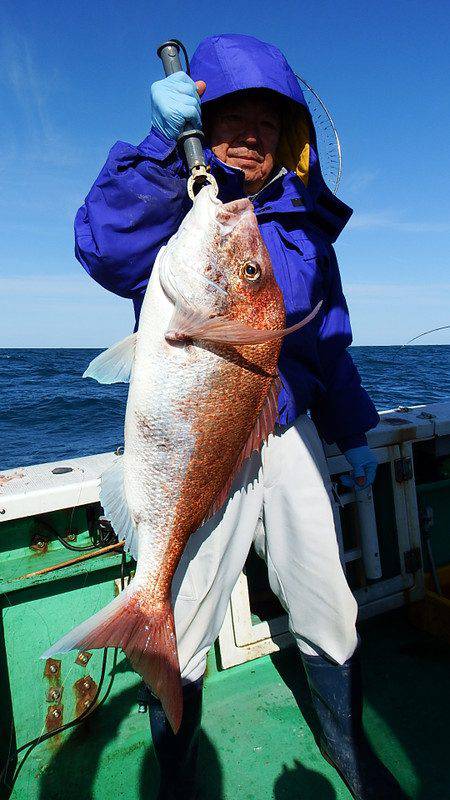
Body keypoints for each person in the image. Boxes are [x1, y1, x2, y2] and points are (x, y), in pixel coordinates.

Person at [75, 34, 406, 800]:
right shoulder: (181, 205)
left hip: (288, 432)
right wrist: (164, 152)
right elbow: (105, 244)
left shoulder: (300, 228)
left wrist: (353, 431)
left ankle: (349, 748)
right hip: (203, 439)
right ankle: (179, 774)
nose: (248, 135)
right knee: (182, 618)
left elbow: (328, 341)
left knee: (329, 603)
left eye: (268, 122)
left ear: (288, 136)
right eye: (229, 116)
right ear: (201, 118)